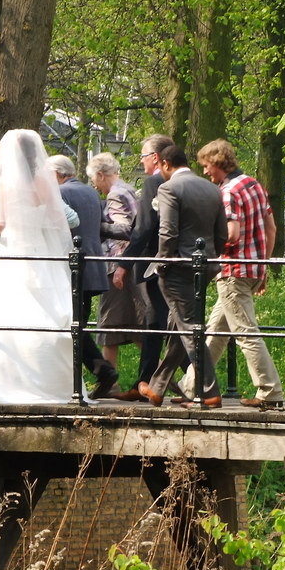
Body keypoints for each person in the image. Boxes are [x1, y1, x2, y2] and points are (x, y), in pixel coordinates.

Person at [0, 129, 76, 404]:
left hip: (13, 252)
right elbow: (58, 220)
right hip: (41, 255)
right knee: (44, 311)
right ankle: (55, 384)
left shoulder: (3, 185)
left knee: (5, 313)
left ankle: (2, 380)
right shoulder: (44, 183)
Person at [177, 139, 283, 409]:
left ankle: (270, 390)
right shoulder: (254, 185)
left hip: (233, 270)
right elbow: (271, 228)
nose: (205, 172)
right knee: (215, 332)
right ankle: (192, 387)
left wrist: (205, 249)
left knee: (245, 332)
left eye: (206, 166)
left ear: (218, 162)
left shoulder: (227, 192)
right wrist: (263, 266)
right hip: (251, 269)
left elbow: (232, 233)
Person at [137, 145, 229, 409]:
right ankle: (157, 388)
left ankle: (209, 392)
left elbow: (167, 232)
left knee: (188, 327)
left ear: (165, 164)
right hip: (204, 266)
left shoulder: (169, 189)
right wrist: (209, 257)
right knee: (177, 325)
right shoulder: (213, 189)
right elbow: (221, 234)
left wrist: (163, 264)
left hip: (178, 268)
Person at [109, 134, 184, 402]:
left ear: (155, 157)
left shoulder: (154, 181)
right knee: (163, 321)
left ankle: (193, 378)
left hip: (156, 262)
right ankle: (148, 382)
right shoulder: (185, 181)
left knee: (163, 321)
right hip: (180, 261)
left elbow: (144, 227)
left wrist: (123, 264)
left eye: (143, 156)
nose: (141, 162)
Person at [48, 154, 119, 398]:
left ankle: (102, 371)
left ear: (55, 174)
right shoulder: (91, 192)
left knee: (71, 325)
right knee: (77, 324)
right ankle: (83, 378)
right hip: (94, 266)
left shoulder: (60, 193)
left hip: (72, 269)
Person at [86, 152, 147, 388]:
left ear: (101, 175)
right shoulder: (128, 189)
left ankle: (111, 384)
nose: (95, 186)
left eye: (95, 180)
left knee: (109, 323)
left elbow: (124, 229)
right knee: (127, 326)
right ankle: (157, 379)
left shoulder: (115, 194)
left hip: (118, 265)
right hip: (130, 264)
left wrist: (95, 225)